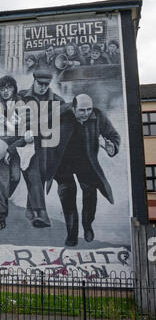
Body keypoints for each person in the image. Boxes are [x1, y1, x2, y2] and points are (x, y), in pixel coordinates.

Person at [46, 94, 120, 247]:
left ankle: (87, 226)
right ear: (73, 109)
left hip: (86, 162)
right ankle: (72, 234)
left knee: (90, 193)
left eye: (89, 109)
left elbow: (113, 135)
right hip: (63, 163)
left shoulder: (97, 116)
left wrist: (111, 147)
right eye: (81, 110)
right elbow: (41, 132)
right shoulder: (59, 115)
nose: (86, 113)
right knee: (67, 195)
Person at [19, 69, 65, 228]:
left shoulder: (57, 101)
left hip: (47, 148)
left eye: (47, 84)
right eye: (40, 84)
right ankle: (40, 213)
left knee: (38, 177)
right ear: (34, 81)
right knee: (33, 176)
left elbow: (66, 122)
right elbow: (10, 117)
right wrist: (23, 132)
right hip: (26, 146)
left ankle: (33, 211)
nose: (44, 87)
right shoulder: (22, 97)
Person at [0, 75, 31, 230]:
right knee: (1, 179)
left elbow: (25, 128)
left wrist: (12, 149)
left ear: (14, 89)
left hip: (16, 146)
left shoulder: (20, 102)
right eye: (2, 88)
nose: (5, 91)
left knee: (15, 177)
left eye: (9, 88)